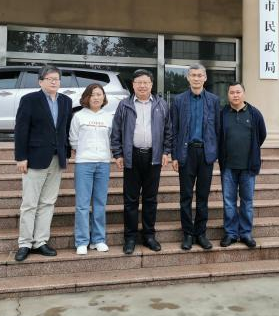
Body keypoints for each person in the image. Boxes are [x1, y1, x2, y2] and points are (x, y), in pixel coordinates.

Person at [14, 65, 72, 262]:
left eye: (57, 79)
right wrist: (21, 157)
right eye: (50, 79)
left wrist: (66, 153)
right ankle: (24, 243)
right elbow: (21, 129)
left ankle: (40, 241)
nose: (54, 82)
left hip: (57, 158)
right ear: (40, 82)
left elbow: (65, 130)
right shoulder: (29, 100)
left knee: (48, 202)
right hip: (34, 158)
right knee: (30, 203)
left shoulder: (66, 101)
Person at [111, 69, 172, 255]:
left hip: (154, 157)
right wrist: (118, 154)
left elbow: (168, 131)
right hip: (132, 156)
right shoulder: (124, 105)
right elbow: (116, 131)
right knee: (130, 199)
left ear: (151, 84)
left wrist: (166, 151)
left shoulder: (161, 104)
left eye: (146, 82)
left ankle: (149, 236)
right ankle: (130, 237)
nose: (143, 86)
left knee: (150, 199)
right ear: (133, 85)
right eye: (139, 82)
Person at [170, 64, 220, 251]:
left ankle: (201, 233)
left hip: (206, 154)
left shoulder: (214, 100)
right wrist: (175, 155)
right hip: (186, 153)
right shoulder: (179, 100)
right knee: (186, 196)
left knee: (203, 196)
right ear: (188, 78)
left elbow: (217, 129)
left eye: (200, 75)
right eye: (193, 75)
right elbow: (174, 129)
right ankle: (188, 234)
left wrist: (215, 152)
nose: (196, 78)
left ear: (205, 78)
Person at [218, 82, 266, 249]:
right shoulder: (222, 114)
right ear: (228, 95)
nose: (235, 95)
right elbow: (218, 136)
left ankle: (245, 233)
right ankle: (230, 234)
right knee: (229, 202)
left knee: (247, 201)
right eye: (232, 92)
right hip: (228, 166)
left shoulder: (254, 113)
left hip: (248, 167)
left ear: (244, 93)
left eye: (238, 92)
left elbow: (262, 135)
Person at [69, 83, 113, 255]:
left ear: (104, 97)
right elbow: (73, 139)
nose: (96, 97)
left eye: (99, 94)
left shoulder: (108, 117)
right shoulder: (79, 116)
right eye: (93, 94)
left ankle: (98, 240)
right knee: (82, 204)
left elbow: (111, 138)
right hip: (84, 163)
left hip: (103, 163)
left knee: (100, 203)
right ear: (87, 97)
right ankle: (82, 241)